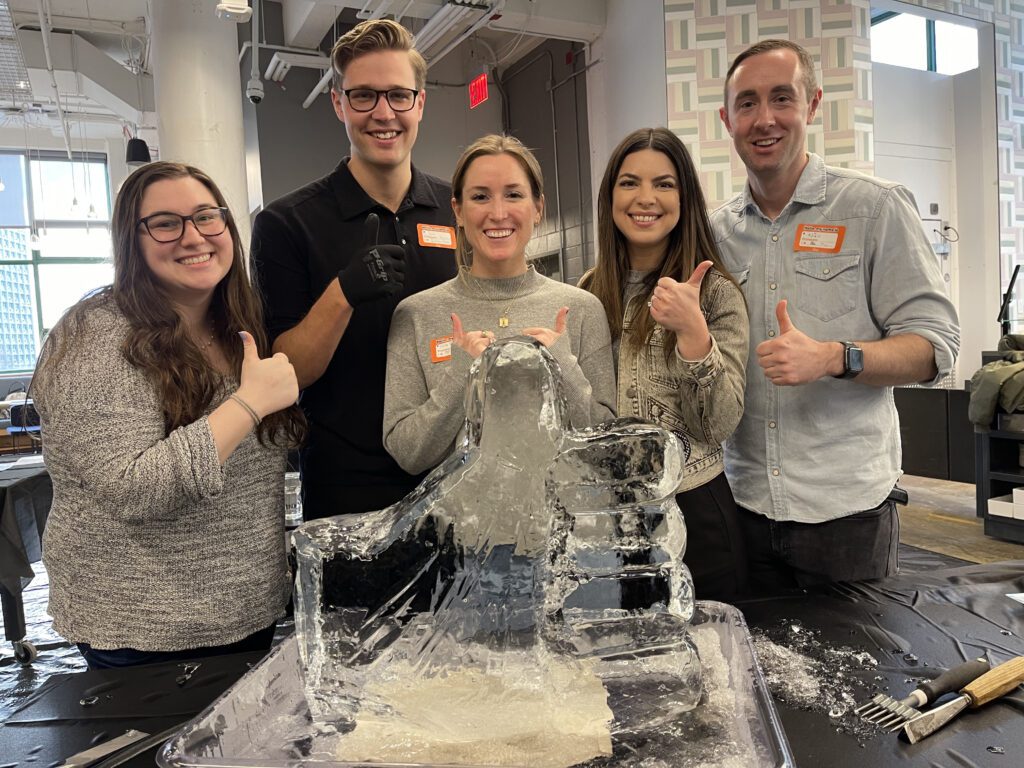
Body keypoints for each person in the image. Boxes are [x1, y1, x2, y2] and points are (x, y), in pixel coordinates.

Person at [32, 162, 305, 669]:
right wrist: (246, 404)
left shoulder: (237, 327)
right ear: (131, 241)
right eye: (165, 223)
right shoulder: (98, 337)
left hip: (244, 611)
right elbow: (133, 487)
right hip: (142, 626)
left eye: (206, 217)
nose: (192, 236)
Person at [712, 39, 960, 592]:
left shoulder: (874, 208)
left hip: (848, 515)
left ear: (813, 104)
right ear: (726, 119)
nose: (765, 119)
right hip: (743, 505)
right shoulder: (715, 233)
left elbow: (935, 346)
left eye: (782, 98)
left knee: (867, 673)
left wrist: (833, 356)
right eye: (747, 103)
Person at [250, 18, 457, 520]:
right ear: (338, 102)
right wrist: (343, 291)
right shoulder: (285, 223)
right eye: (364, 96)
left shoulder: (458, 208)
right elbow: (288, 373)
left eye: (398, 96)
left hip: (457, 477)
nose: (383, 113)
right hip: (349, 491)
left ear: (420, 103)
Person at [580, 127, 749, 601]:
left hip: (697, 513)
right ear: (610, 195)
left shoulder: (716, 293)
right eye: (629, 182)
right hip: (610, 519)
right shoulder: (591, 291)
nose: (645, 198)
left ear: (685, 197)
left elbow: (719, 424)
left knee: (709, 663)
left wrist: (693, 334)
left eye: (664, 184)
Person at [383, 134, 616, 474]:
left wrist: (562, 367)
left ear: (538, 208)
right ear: (458, 211)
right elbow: (408, 454)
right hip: (456, 526)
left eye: (513, 194)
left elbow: (607, 447)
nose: (497, 212)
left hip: (564, 523)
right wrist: (463, 374)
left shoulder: (581, 309)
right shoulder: (416, 315)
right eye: (480, 197)